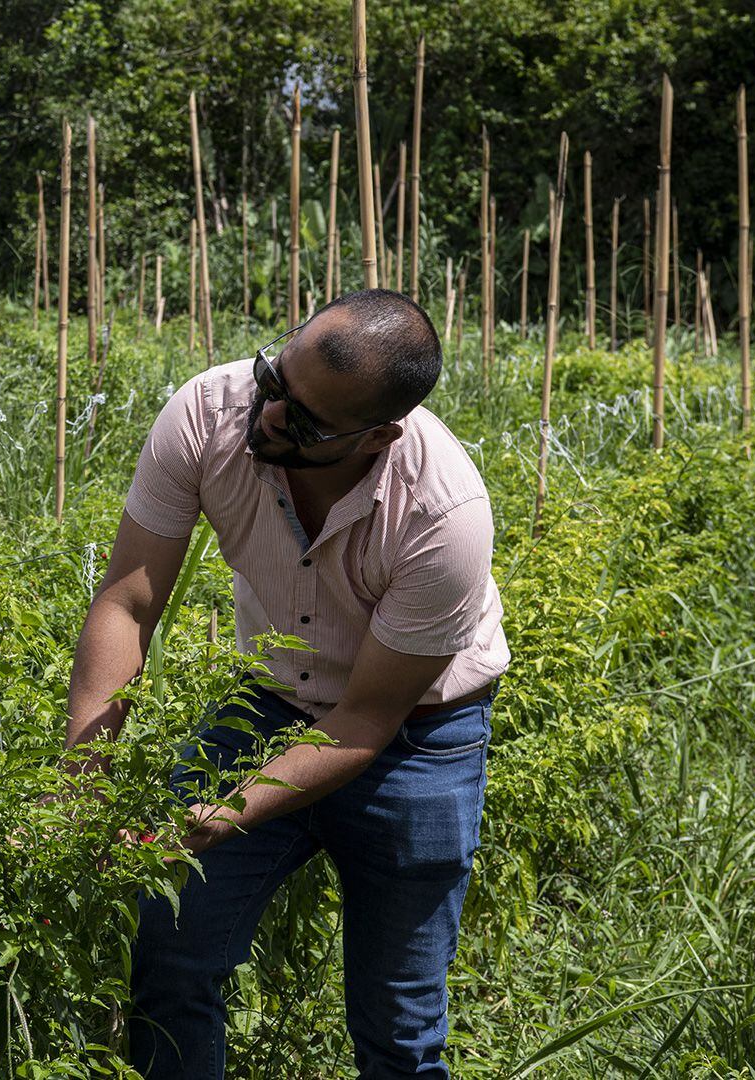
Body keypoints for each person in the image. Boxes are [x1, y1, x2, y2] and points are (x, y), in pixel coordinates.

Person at [64, 289, 510, 1078]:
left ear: (378, 436)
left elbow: (364, 723)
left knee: (399, 1024)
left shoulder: (443, 514)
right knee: (168, 949)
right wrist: (81, 778)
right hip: (267, 704)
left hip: (419, 738)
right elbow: (128, 602)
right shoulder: (209, 412)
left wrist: (220, 813)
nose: (269, 417)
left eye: (306, 422)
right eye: (277, 381)